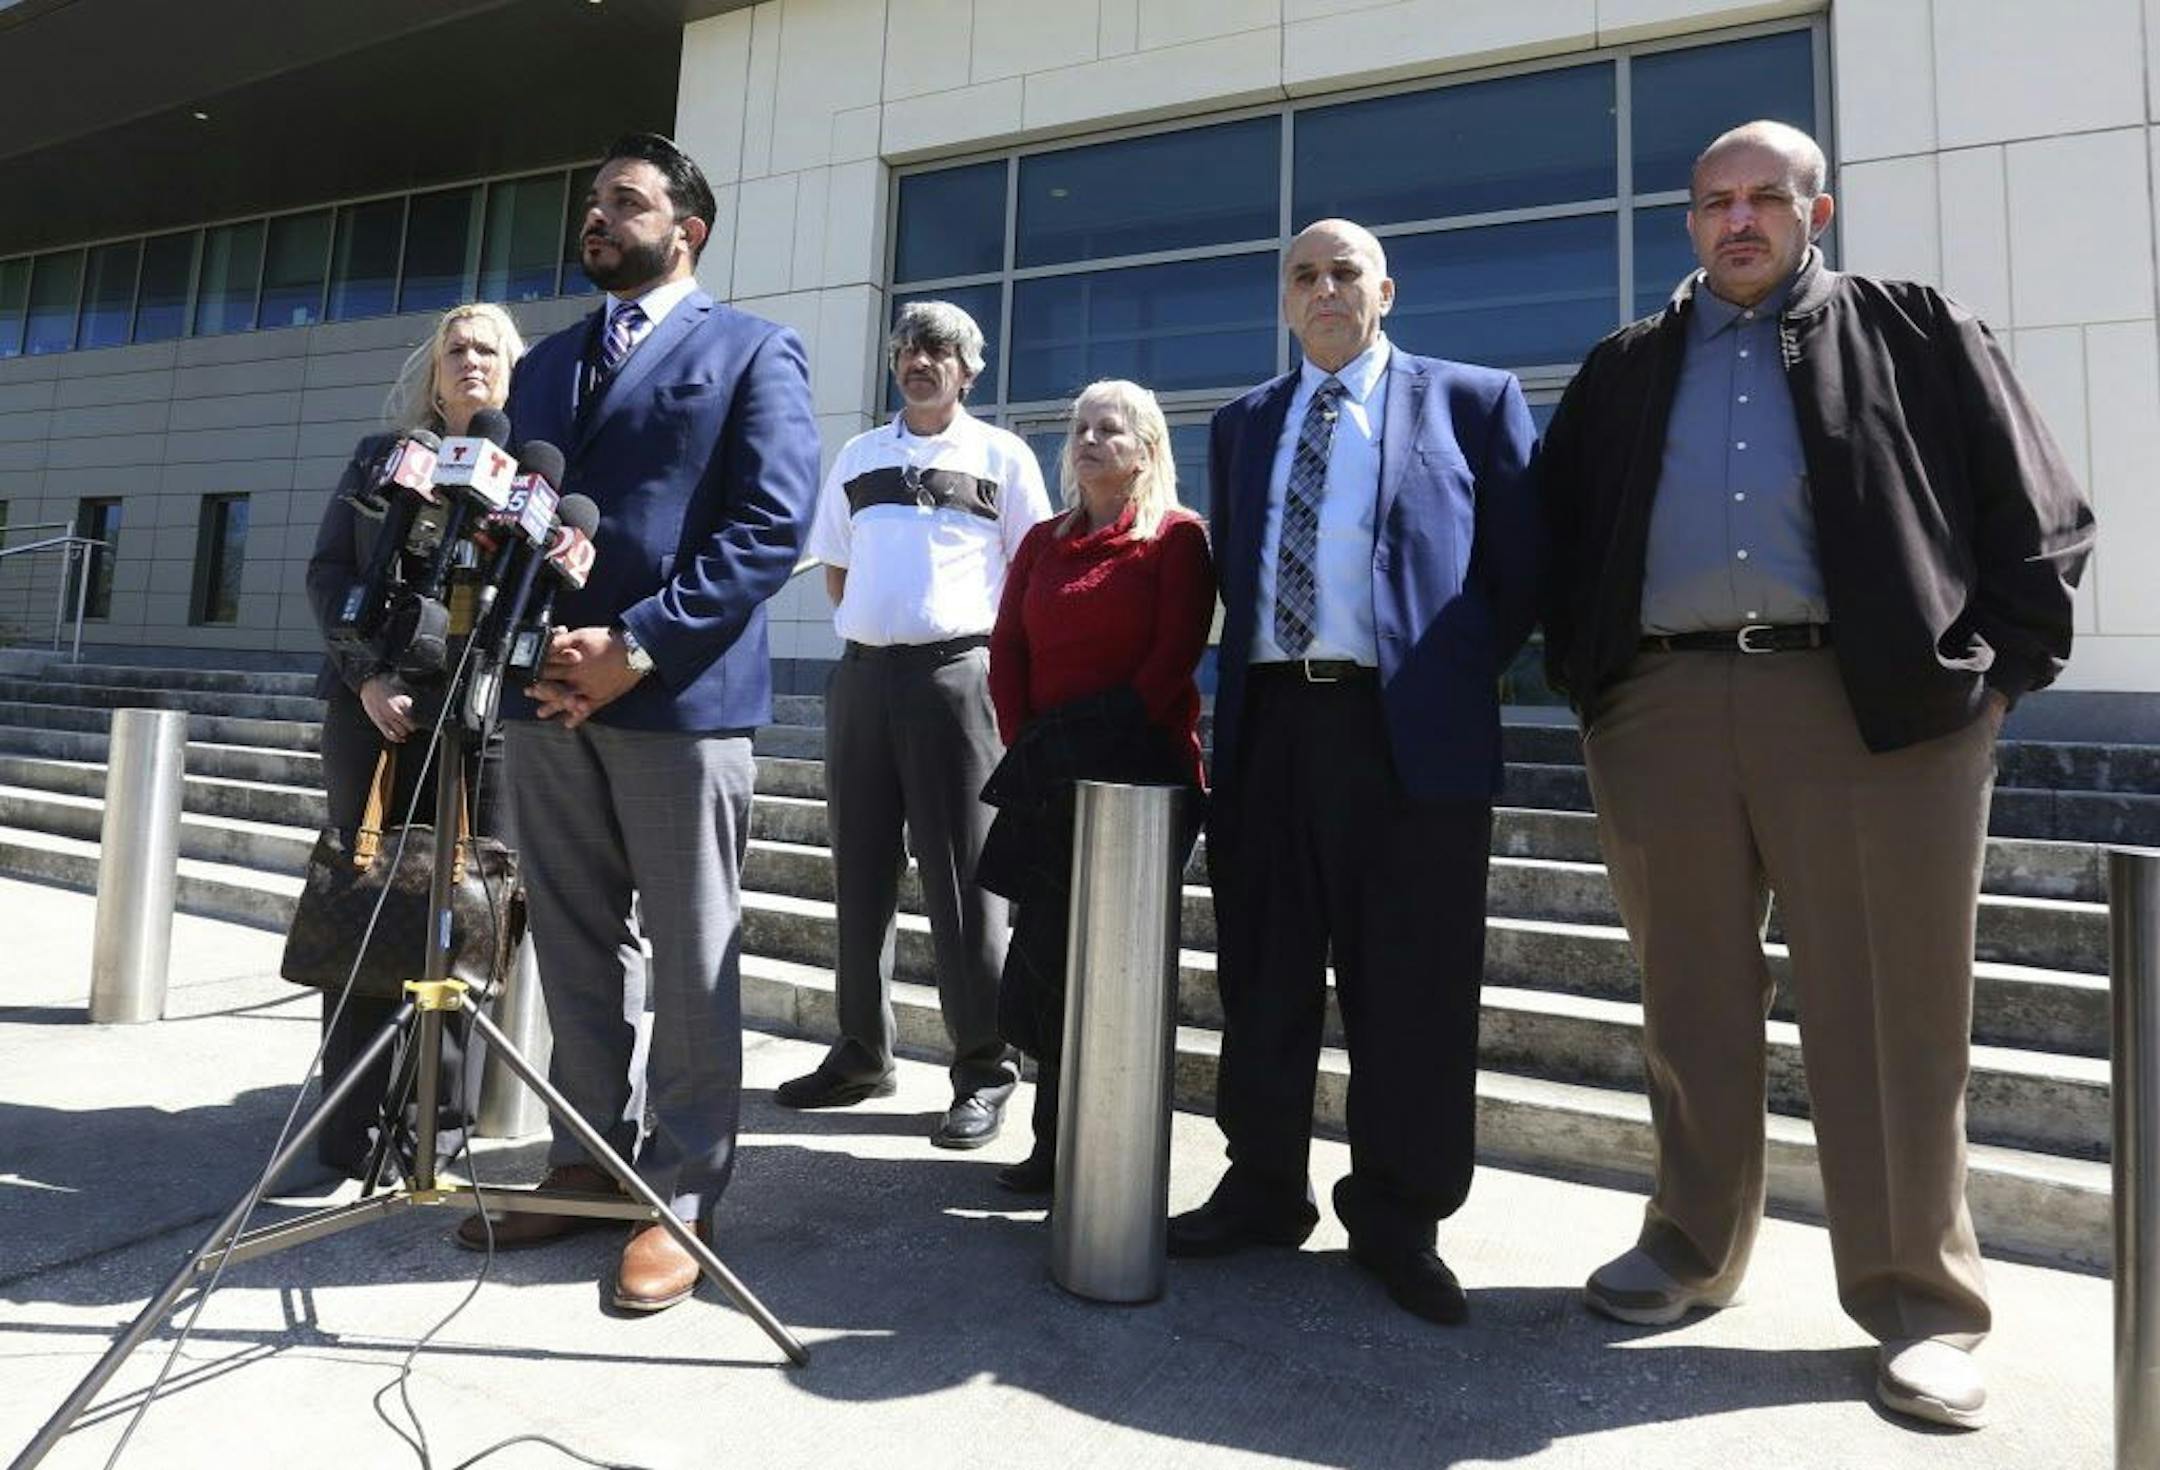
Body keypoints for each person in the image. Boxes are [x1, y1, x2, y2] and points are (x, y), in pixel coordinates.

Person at [1539, 120, 2094, 1429]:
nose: (1741, 220)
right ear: (1690, 221)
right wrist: (1595, 682)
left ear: (1817, 210)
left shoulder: (1912, 329)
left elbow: (2043, 517)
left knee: (1892, 1015)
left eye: (1766, 199)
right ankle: (1689, 1247)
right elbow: (1559, 538)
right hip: (1664, 706)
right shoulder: (1628, 365)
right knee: (1689, 992)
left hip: (1874, 711)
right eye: (1715, 201)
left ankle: (1921, 1305)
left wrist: (1989, 686)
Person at [447, 132, 819, 1315]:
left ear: (685, 230)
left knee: (694, 954)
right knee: (571, 942)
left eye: (624, 202)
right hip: (551, 696)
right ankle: (585, 1162)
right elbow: (516, 517)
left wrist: (640, 644)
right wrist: (536, 653)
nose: (597, 217)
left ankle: (683, 1196)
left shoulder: (755, 349)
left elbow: (767, 529)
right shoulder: (548, 363)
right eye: (591, 201)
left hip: (679, 698)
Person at [1171, 219, 1540, 1326]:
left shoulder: (1471, 401)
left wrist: (1448, 667)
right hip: (1272, 724)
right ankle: (1262, 1188)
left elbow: (1522, 568)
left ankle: (1398, 1213)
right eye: (1302, 275)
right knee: (1266, 970)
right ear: (1284, 300)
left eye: (1344, 273)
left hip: (1407, 731)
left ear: (1387, 290)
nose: (1324, 289)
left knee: (1413, 986)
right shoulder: (1244, 424)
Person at [774, 301, 1052, 1148]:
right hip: (862, 681)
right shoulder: (860, 456)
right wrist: (882, 633)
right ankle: (861, 1051)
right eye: (906, 348)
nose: (918, 361)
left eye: (937, 349)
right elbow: (837, 573)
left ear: (970, 368)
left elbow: (1032, 573)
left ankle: (984, 1068)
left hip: (957, 681)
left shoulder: (1002, 455)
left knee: (967, 884)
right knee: (858, 872)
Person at [302, 301, 525, 1180]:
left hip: (485, 722)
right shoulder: (380, 459)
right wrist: (367, 676)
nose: (470, 361)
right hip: (371, 711)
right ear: (433, 372)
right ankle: (346, 1120)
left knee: (469, 912)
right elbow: (329, 570)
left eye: (488, 350)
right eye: (455, 349)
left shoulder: (532, 477)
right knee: (365, 906)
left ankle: (440, 1120)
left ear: (514, 370)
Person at [979, 379, 1215, 1194]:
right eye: (1078, 427)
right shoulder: (1043, 540)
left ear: (1146, 449)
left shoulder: (1177, 540)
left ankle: (1111, 1150)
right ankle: (1051, 1145)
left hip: (1138, 781)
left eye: (1108, 429)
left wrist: (1088, 748)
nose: (1086, 439)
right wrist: (1028, 745)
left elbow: (1170, 661)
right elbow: (1006, 648)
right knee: (1046, 959)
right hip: (1047, 775)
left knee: (1112, 969)